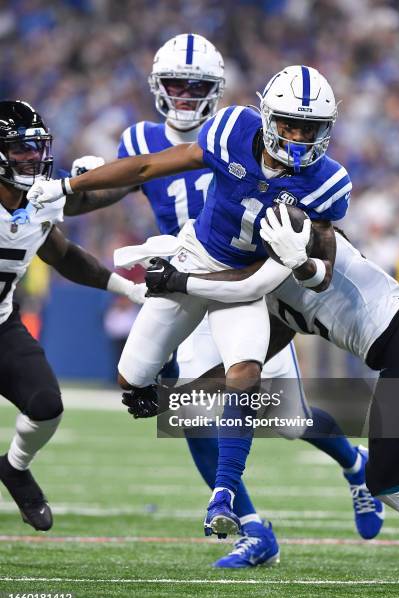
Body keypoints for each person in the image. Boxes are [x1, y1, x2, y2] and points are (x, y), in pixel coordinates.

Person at [27, 61, 365, 543]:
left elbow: (317, 273)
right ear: (266, 116)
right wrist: (65, 186)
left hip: (249, 279)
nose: (296, 138)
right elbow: (140, 170)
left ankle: (242, 510)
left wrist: (303, 263)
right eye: (289, 124)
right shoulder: (225, 130)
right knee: (143, 385)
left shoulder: (327, 184)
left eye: (309, 128)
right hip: (189, 258)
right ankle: (253, 512)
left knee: (275, 406)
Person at [144, 218, 399, 518]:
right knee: (388, 476)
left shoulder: (300, 234)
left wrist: (177, 279)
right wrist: (171, 398)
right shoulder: (276, 299)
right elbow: (240, 372)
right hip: (396, 354)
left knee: (387, 480)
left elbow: (260, 271)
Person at [0, 100, 143, 531]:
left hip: (2, 325)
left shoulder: (38, 200)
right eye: (19, 150)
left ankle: (15, 468)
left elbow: (65, 254)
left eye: (35, 148)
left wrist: (129, 288)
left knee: (46, 405)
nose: (31, 158)